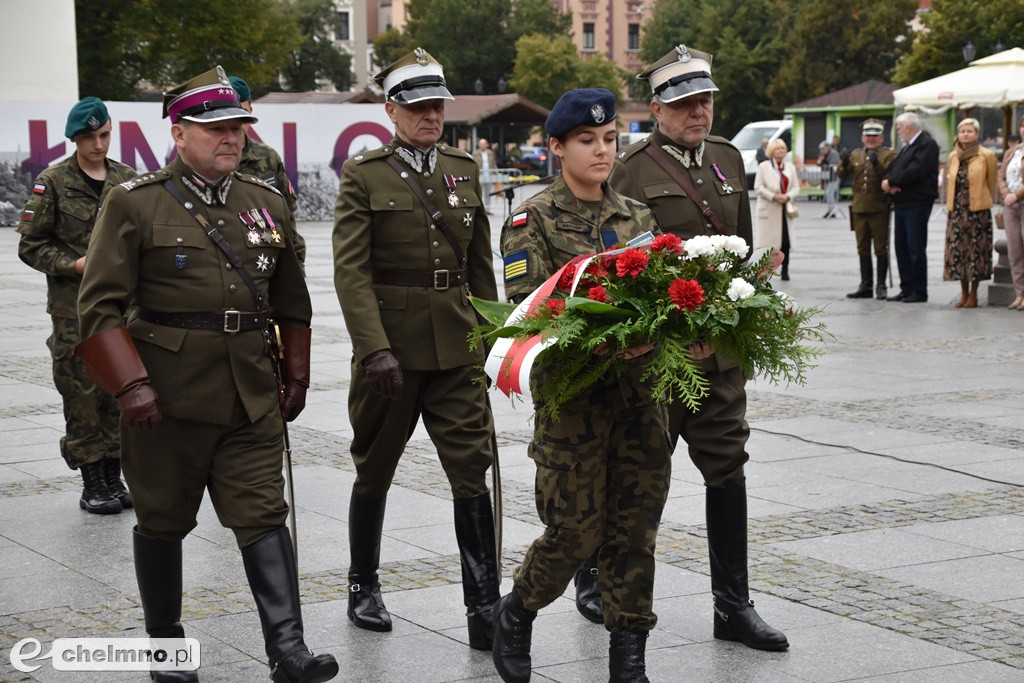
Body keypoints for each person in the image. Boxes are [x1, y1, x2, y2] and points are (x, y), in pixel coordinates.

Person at [74, 66, 338, 683]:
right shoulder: (135, 202)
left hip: (250, 395)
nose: (232, 137)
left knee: (263, 514)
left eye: (238, 127)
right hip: (165, 398)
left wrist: (295, 375)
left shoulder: (265, 202)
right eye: (216, 128)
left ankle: (288, 651)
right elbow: (99, 305)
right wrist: (131, 386)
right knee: (162, 521)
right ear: (179, 132)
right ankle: (166, 649)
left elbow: (292, 298)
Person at [608, 44, 788, 653]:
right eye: (685, 103)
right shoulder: (630, 169)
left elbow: (736, 249)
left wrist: (752, 295)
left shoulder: (730, 159)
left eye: (705, 100)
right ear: (657, 106)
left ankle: (733, 606)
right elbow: (616, 264)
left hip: (719, 354)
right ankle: (598, 582)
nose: (698, 112)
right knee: (634, 473)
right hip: (658, 357)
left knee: (728, 468)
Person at [491, 87, 670, 683]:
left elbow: (659, 300)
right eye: (587, 141)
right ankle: (516, 613)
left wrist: (678, 331)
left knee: (634, 531)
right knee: (573, 533)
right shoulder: (531, 221)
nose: (601, 150)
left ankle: (629, 659)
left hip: (640, 402)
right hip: (574, 406)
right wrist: (613, 340)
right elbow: (533, 313)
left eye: (609, 139)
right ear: (556, 148)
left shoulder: (637, 218)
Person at [332, 48, 501, 650]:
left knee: (470, 470)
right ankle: (363, 585)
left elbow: (480, 266)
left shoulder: (463, 167)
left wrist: (493, 337)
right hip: (392, 353)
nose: (431, 115)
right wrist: (372, 349)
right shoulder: (365, 174)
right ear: (391, 110)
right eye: (418, 106)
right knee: (375, 467)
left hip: (456, 348)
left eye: (436, 105)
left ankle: (484, 608)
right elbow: (350, 273)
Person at [17, 97, 137, 515]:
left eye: (103, 135)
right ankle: (92, 481)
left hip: (120, 307)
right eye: (89, 138)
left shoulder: (127, 179)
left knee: (118, 388)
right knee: (81, 393)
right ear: (75, 139)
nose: (98, 145)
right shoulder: (52, 182)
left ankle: (114, 475)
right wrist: (73, 264)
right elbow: (31, 246)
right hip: (73, 311)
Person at [229, 75, 305, 264]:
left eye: (243, 114)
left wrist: (297, 273)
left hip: (263, 259)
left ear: (251, 111)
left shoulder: (267, 157)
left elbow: (287, 219)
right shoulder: (207, 160)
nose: (238, 122)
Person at [882, 112, 940, 303]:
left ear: (908, 127)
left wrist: (892, 181)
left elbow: (916, 170)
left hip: (917, 203)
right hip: (902, 202)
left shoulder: (927, 144)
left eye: (899, 128)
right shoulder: (907, 147)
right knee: (902, 248)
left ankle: (919, 290)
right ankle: (906, 288)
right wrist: (888, 181)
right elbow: (895, 167)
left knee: (915, 247)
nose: (898, 132)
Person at [837, 118, 897, 299]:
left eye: (875, 136)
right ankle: (866, 285)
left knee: (880, 248)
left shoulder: (889, 154)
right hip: (859, 207)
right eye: (868, 135)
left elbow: (889, 175)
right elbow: (841, 174)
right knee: (862, 248)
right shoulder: (856, 154)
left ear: (881, 137)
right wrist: (845, 161)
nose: (871, 139)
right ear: (863, 137)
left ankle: (880, 285)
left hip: (879, 207)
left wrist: (876, 163)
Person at [942, 118, 997, 308]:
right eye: (962, 131)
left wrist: (982, 199)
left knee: (976, 253)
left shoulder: (986, 155)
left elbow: (992, 182)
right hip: (956, 211)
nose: (965, 134)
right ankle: (963, 292)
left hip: (977, 211)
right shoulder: (953, 156)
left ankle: (973, 293)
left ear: (977, 134)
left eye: (969, 131)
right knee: (958, 252)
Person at [754, 139, 800, 280]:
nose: (781, 150)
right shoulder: (764, 166)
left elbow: (796, 187)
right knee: (767, 245)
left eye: (783, 148)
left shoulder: (790, 167)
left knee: (785, 242)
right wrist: (774, 196)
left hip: (784, 209)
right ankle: (763, 272)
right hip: (769, 209)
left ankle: (785, 270)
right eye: (778, 148)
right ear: (771, 151)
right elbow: (758, 187)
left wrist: (788, 196)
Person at [998, 115, 1024, 310]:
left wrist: (1016, 195)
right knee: (1014, 251)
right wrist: (1007, 195)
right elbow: (1001, 176)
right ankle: (1020, 294)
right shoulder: (1012, 151)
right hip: (1010, 206)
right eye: (1023, 126)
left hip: (1020, 201)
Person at [472, 137, 498, 213]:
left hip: (489, 175)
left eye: (484, 144)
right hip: (480, 176)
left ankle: (487, 209)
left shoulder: (490, 153)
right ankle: (480, 209)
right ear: (478, 145)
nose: (482, 145)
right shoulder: (475, 153)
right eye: (481, 144)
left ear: (486, 145)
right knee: (480, 193)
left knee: (488, 193)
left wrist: (496, 173)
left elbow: (493, 163)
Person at [818, 140, 841, 218]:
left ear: (827, 148)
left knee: (829, 193)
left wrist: (823, 163)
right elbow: (818, 164)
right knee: (827, 193)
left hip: (834, 176)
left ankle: (832, 210)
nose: (821, 151)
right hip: (827, 176)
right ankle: (830, 209)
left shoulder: (833, 154)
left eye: (823, 149)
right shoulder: (823, 154)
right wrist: (821, 160)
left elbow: (832, 166)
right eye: (821, 149)